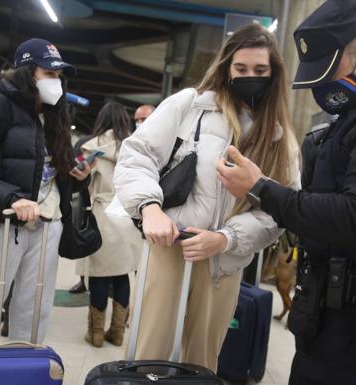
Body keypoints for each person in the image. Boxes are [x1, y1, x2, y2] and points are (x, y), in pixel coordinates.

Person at [216, 1, 356, 384]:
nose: (321, 86)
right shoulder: (349, 123)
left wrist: (260, 187)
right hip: (324, 307)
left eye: (328, 72)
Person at [113, 24, 299, 371]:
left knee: (200, 363)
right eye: (240, 69)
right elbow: (137, 155)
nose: (249, 77)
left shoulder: (278, 137)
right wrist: (149, 207)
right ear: (227, 67)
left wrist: (225, 239)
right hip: (169, 248)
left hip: (224, 264)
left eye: (260, 71)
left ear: (274, 74)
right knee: (148, 356)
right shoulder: (190, 105)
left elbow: (280, 210)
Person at [0, 38, 91, 367]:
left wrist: (76, 176)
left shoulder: (57, 116)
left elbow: (51, 170)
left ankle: (23, 375)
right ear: (28, 72)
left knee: (34, 316)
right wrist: (12, 198)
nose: (55, 81)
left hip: (47, 226)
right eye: (49, 72)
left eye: (59, 75)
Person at [76, 102, 140, 347]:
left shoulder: (91, 147)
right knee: (123, 274)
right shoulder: (134, 147)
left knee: (100, 275)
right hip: (126, 217)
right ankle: (117, 333)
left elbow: (82, 181)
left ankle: (95, 334)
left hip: (101, 215)